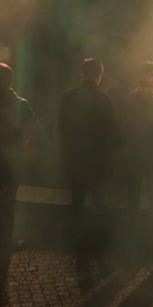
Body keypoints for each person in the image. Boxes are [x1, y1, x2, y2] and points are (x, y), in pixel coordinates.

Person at [0, 63, 36, 254]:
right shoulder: (20, 104)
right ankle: (6, 242)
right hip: (12, 159)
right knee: (8, 202)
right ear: (11, 80)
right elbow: (31, 128)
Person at [57, 58, 117, 239]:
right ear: (100, 76)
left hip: (75, 155)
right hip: (98, 157)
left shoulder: (68, 97)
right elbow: (111, 131)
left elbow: (61, 128)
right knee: (99, 199)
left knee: (77, 197)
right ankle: (97, 237)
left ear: (81, 74)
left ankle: (75, 236)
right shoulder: (105, 100)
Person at [122, 61, 153, 220]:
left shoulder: (129, 99)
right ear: (148, 77)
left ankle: (132, 230)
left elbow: (122, 126)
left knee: (133, 198)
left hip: (133, 153)